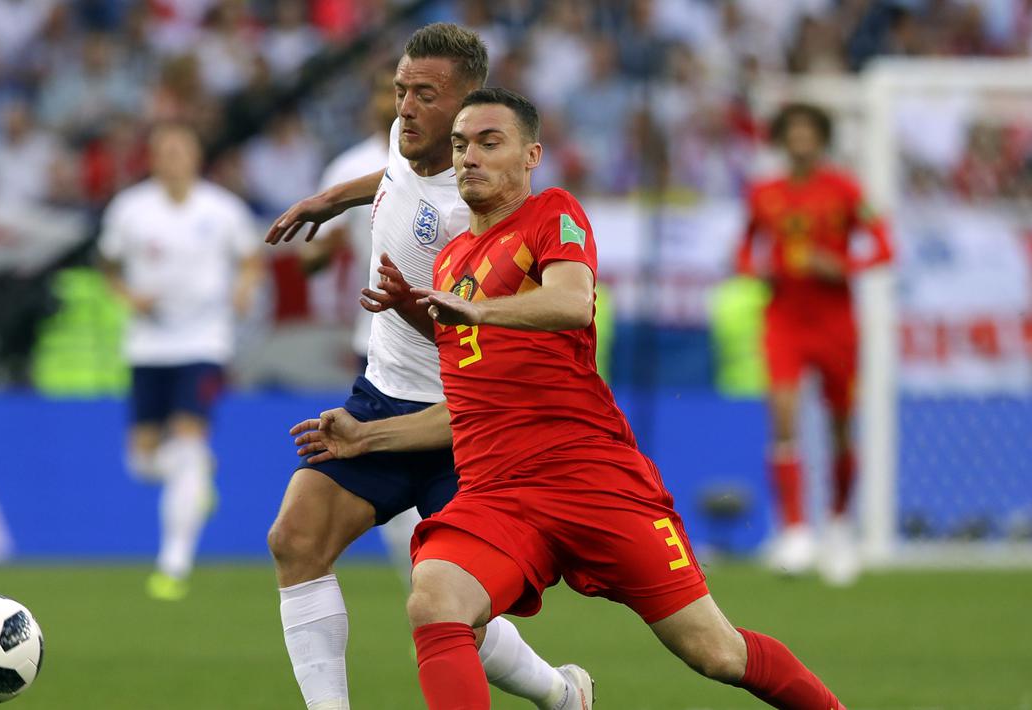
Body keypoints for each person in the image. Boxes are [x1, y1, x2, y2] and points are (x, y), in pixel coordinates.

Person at [295, 88, 846, 710]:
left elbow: (571, 301)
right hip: (499, 494)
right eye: (460, 144)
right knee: (435, 599)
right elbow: (471, 405)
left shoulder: (552, 213)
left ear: (531, 155)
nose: (469, 157)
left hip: (591, 481)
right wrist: (367, 433)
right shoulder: (450, 262)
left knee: (716, 653)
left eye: (489, 143)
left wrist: (477, 310)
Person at [264, 24, 593, 710]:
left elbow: (483, 342)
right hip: (383, 391)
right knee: (295, 538)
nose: (405, 108)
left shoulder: (474, 213)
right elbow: (394, 176)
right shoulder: (405, 137)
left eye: (424, 95)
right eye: (400, 90)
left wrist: (417, 312)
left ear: (469, 105)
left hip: (462, 419)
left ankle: (561, 695)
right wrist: (335, 199)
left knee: (451, 607)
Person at [99, 121, 264, 600]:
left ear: (196, 156)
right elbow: (108, 264)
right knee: (142, 460)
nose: (173, 158)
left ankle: (173, 562)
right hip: (148, 343)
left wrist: (244, 289)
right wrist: (129, 296)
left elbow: (252, 258)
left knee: (189, 438)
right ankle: (195, 474)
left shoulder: (222, 209)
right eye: (164, 150)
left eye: (181, 149)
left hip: (205, 342)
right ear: (152, 158)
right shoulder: (130, 209)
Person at [736, 103, 893, 584]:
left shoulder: (846, 189)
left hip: (835, 323)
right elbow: (744, 250)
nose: (801, 141)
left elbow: (885, 248)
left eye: (809, 133)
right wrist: (755, 270)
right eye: (793, 133)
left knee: (840, 424)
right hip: (784, 318)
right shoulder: (764, 193)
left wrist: (844, 267)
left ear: (822, 139)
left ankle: (840, 527)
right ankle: (795, 531)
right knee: (783, 415)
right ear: (782, 140)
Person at [299, 64, 425, 585]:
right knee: (387, 473)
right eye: (387, 92)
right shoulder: (348, 166)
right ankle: (426, 586)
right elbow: (321, 249)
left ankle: (449, 590)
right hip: (374, 336)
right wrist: (314, 254)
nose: (392, 104)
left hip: (440, 339)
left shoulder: (448, 157)